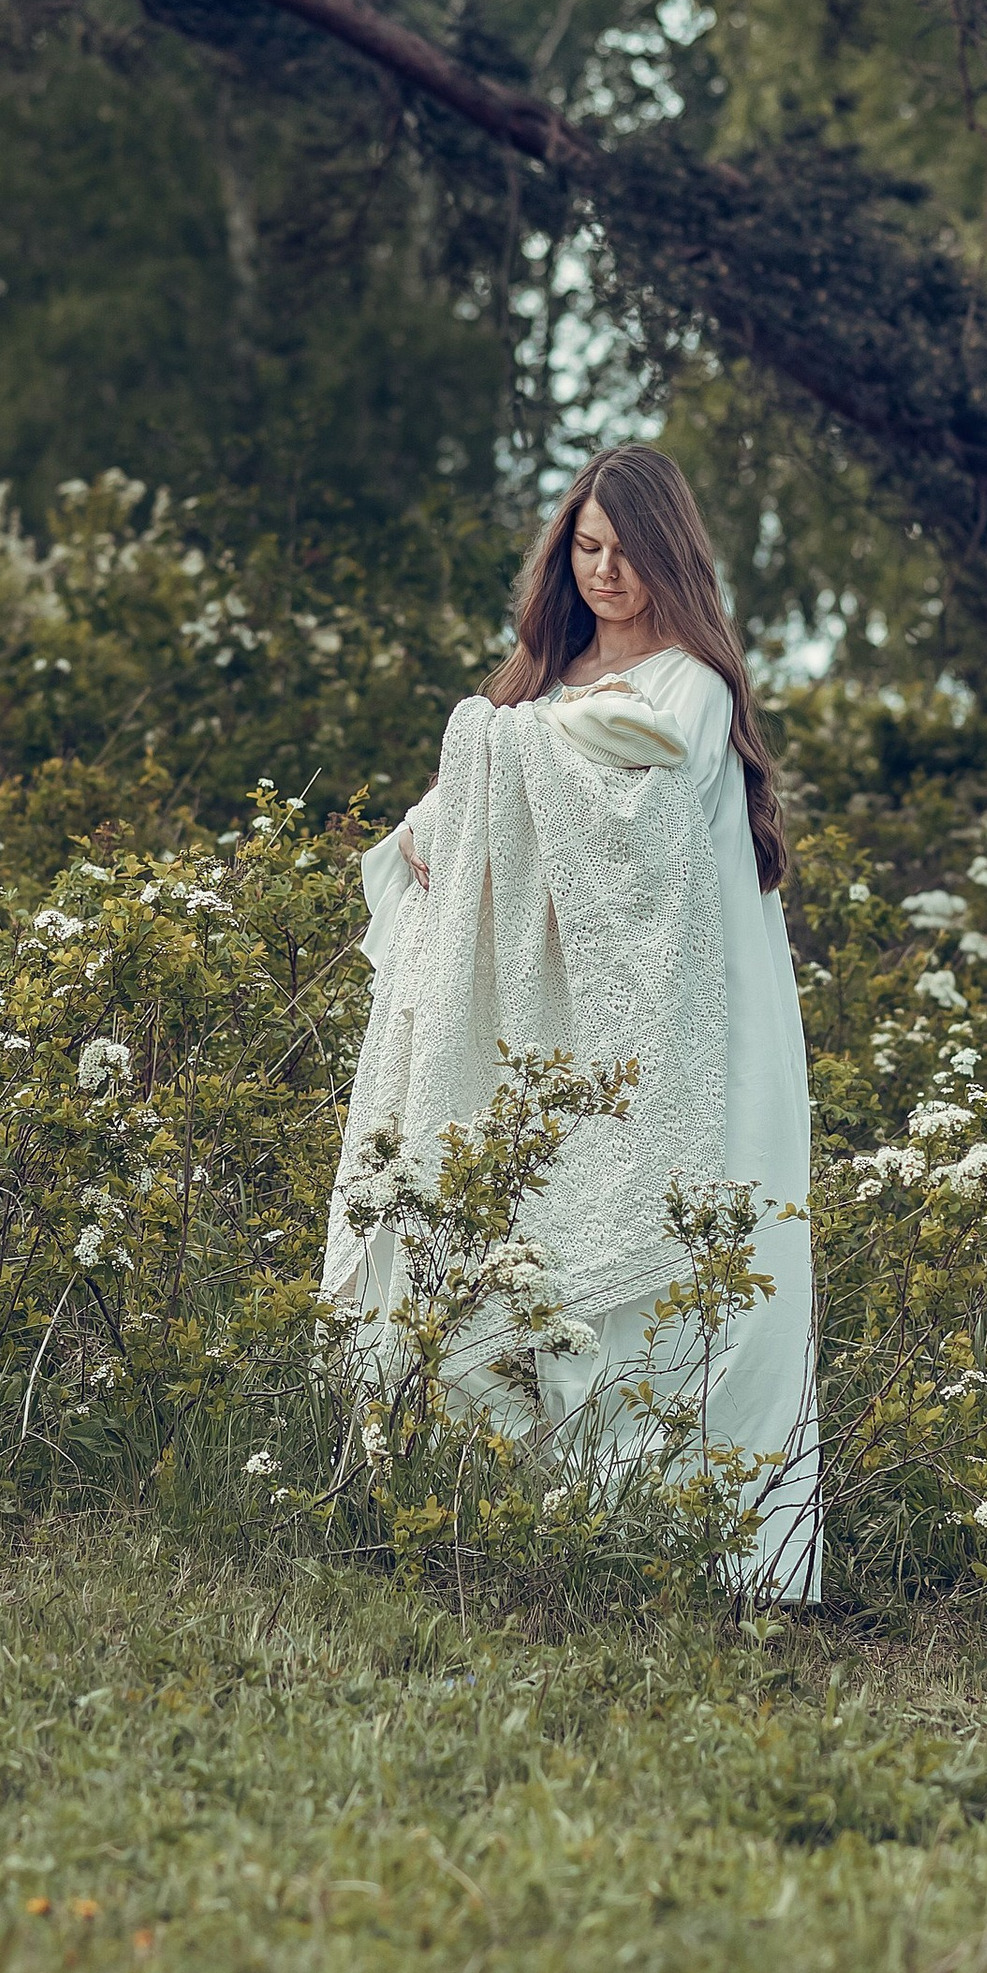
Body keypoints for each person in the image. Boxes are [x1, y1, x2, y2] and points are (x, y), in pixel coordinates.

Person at [324, 445, 819, 1600]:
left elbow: (638, 827)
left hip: (674, 1018)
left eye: (626, 552)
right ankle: (514, 1532)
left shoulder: (689, 681)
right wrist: (479, 779)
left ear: (670, 555)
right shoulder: (541, 685)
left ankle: (714, 1556)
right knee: (520, 1248)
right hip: (540, 1033)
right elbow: (437, 831)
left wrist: (501, 758)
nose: (604, 574)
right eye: (585, 548)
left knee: (704, 1252)